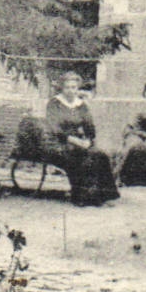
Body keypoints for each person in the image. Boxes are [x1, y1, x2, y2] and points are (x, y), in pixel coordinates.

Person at [43, 71, 118, 206]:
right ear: (62, 88)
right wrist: (74, 140)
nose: (71, 91)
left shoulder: (81, 105)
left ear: (77, 88)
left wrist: (88, 140)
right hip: (58, 142)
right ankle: (81, 196)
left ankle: (103, 195)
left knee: (100, 155)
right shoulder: (54, 103)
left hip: (79, 142)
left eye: (74, 87)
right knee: (79, 157)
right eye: (67, 87)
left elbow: (89, 126)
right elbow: (55, 128)